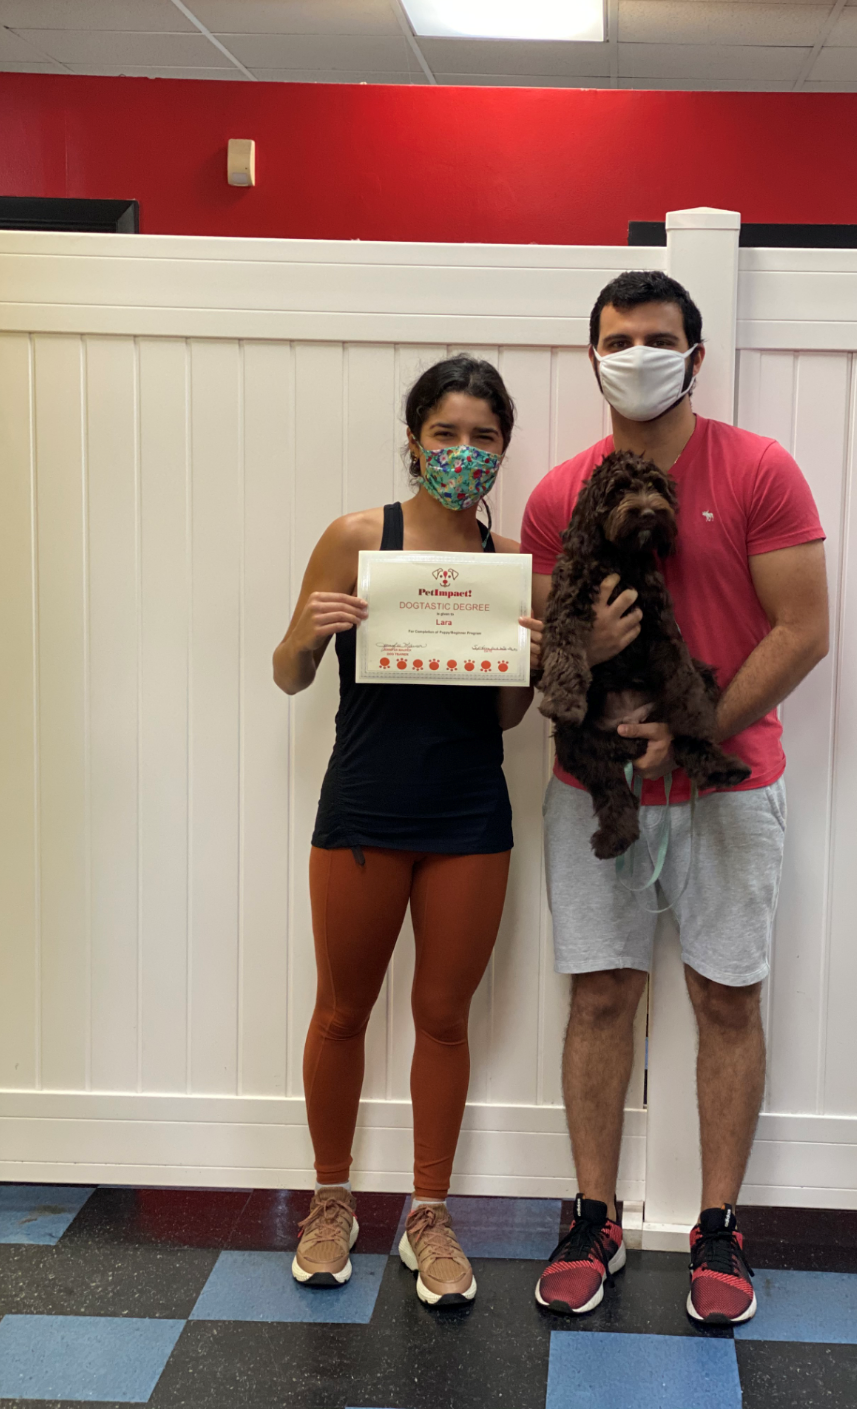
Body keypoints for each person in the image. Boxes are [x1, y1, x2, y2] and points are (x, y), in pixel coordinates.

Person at [521, 271, 829, 1323]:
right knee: (599, 995)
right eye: (618, 339)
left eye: (659, 339)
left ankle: (719, 1226)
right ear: (592, 355)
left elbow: (802, 629)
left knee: (725, 997)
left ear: (695, 357)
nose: (637, 353)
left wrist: (689, 729)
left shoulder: (759, 470)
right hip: (592, 781)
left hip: (728, 782)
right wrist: (585, 651)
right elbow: (543, 644)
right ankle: (592, 1215)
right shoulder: (556, 496)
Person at [273, 355, 541, 1307]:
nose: (463, 452)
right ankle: (330, 1200)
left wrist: (528, 661)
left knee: (442, 1017)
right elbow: (289, 673)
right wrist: (314, 627)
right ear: (415, 439)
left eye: (483, 437)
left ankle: (428, 1212)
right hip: (364, 808)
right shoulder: (358, 537)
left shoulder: (511, 567)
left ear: (502, 449)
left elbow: (506, 720)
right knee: (341, 1011)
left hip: (470, 815)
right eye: (446, 434)